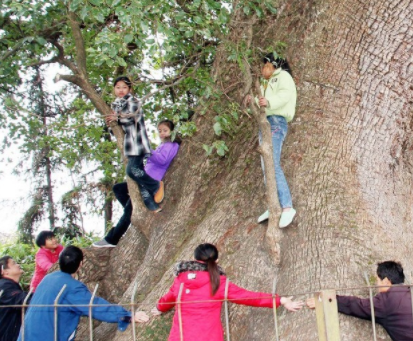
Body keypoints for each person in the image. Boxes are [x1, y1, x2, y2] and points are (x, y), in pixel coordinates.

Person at [152, 243, 302, 341]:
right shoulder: (218, 282)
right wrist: (280, 300)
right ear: (216, 261)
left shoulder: (181, 279)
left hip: (181, 337)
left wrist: (159, 308)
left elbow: (169, 298)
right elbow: (248, 297)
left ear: (194, 259)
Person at [18, 246, 148, 340]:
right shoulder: (72, 287)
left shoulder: (48, 278)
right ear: (80, 264)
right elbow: (95, 307)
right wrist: (127, 315)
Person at [307, 260, 413, 341]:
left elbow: (358, 305)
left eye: (377, 280)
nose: (376, 285)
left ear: (386, 281)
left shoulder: (387, 300)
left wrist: (328, 300)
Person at [93, 120, 180, 248]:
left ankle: (112, 239)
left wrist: (147, 150)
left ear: (172, 131)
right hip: (143, 178)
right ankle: (135, 212)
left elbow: (162, 160)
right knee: (118, 189)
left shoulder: (172, 145)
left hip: (151, 179)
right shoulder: (163, 145)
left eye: (165, 130)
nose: (162, 133)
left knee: (129, 208)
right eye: (160, 131)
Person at [246, 53, 298, 228]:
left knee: (272, 164)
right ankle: (273, 205)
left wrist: (266, 101)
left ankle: (287, 207)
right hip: (266, 123)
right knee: (266, 164)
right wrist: (252, 101)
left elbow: (283, 96)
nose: (263, 68)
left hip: (276, 121)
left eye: (265, 64)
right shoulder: (265, 82)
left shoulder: (283, 76)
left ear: (273, 64)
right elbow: (262, 102)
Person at [104, 75, 157, 211]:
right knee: (136, 174)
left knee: (132, 170)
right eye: (118, 87)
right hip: (130, 145)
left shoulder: (133, 101)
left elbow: (130, 118)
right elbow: (117, 128)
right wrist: (111, 125)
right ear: (114, 89)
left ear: (130, 89)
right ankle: (150, 204)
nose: (121, 90)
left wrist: (117, 118)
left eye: (124, 87)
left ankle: (155, 186)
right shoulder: (116, 104)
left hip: (138, 141)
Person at [0, 256, 27, 341]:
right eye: (14, 263)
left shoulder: (10, 285)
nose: (18, 265)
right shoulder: (4, 286)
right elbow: (21, 299)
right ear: (5, 272)